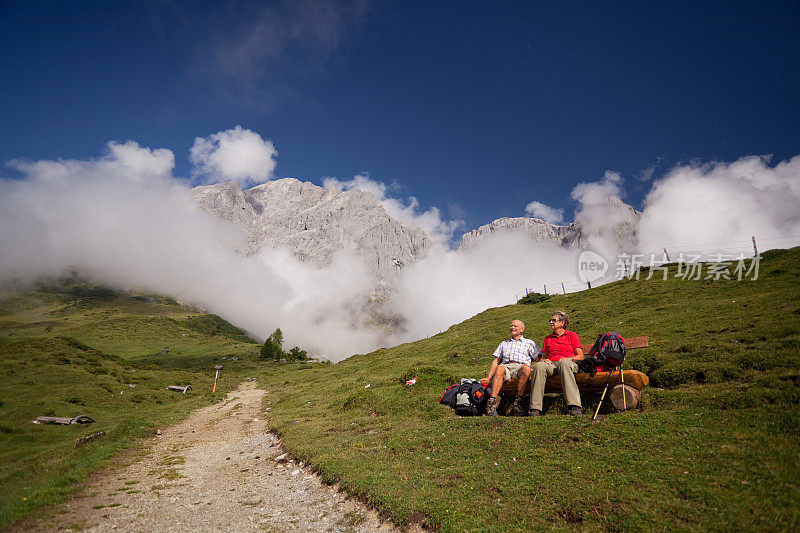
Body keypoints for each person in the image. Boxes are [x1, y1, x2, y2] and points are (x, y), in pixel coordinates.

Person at [480, 319, 541, 416]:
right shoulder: (504, 343)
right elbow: (496, 360)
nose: (512, 327)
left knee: (526, 368)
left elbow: (538, 358)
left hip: (520, 367)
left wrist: (532, 368)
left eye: (515, 326)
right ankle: (492, 404)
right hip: (506, 367)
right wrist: (488, 377)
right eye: (511, 326)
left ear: (522, 329)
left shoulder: (529, 343)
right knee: (499, 368)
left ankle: (518, 404)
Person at [529, 310, 584, 416]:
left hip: (568, 363)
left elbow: (580, 356)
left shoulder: (571, 335)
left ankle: (574, 406)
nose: (551, 322)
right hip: (552, 365)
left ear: (562, 323)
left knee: (564, 365)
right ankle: (535, 408)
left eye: (553, 320)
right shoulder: (548, 338)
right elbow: (543, 358)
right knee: (539, 366)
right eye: (550, 320)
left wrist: (568, 359)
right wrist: (544, 360)